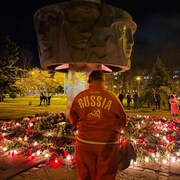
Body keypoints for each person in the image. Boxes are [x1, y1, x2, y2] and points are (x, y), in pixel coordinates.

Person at [69, 70, 127, 180]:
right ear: (103, 81)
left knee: (85, 174)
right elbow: (123, 119)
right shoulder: (112, 97)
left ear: (89, 81)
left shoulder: (80, 96)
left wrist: (80, 126)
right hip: (108, 143)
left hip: (84, 142)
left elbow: (73, 117)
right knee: (106, 175)